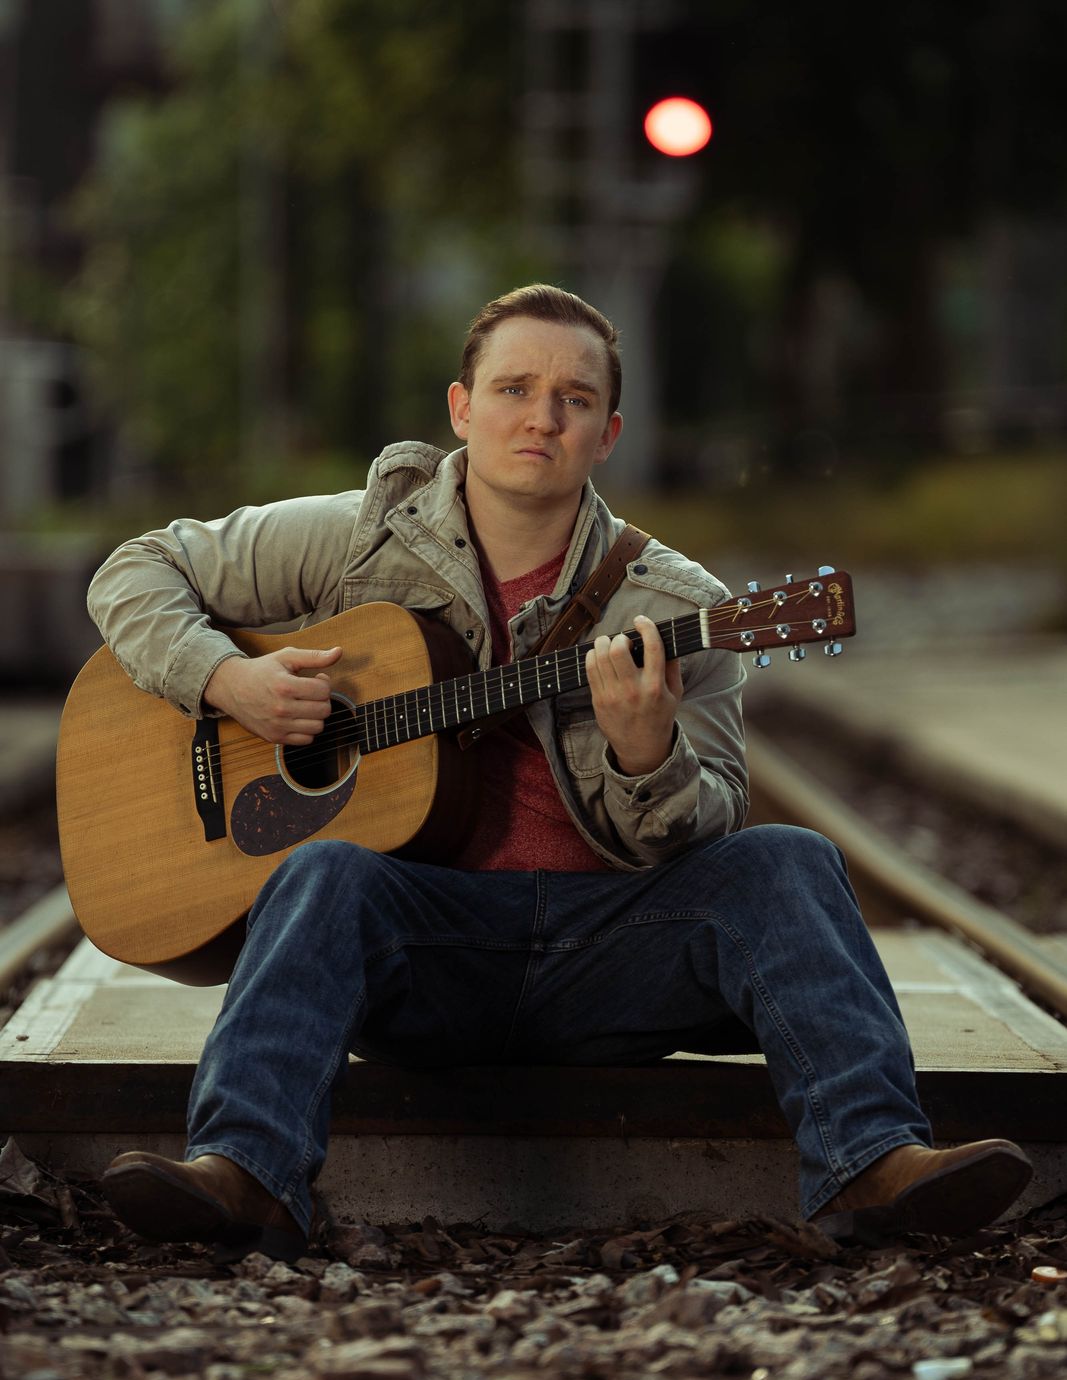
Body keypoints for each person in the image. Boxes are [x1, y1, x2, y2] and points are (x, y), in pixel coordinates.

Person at [88, 283, 1031, 1262]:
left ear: (607, 432)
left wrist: (645, 755)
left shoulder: (679, 605)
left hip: (612, 959)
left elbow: (712, 822)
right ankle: (244, 1172)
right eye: (513, 389)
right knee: (322, 872)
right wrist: (226, 679)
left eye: (573, 399)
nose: (541, 418)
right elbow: (137, 567)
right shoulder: (361, 535)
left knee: (788, 860)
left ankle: (872, 1161)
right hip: (422, 956)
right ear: (461, 409)